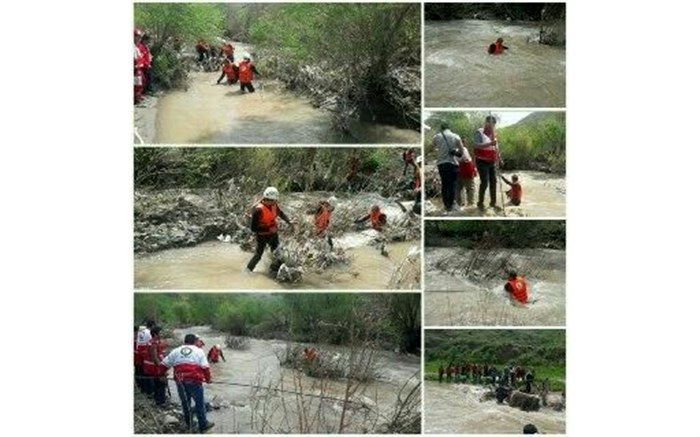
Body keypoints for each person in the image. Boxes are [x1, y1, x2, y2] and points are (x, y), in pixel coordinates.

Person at [161, 334, 215, 433]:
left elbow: (164, 364)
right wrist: (208, 379)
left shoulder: (176, 351)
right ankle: (203, 425)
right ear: (195, 341)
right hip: (194, 381)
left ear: (184, 341)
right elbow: (205, 368)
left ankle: (188, 424)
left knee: (186, 404)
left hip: (180, 381)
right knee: (199, 403)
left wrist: (162, 374)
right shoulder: (199, 351)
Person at [246, 187, 294, 273]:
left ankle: (274, 271)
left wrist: (289, 222)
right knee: (258, 255)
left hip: (273, 235)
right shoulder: (258, 210)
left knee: (277, 253)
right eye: (274, 200)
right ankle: (247, 271)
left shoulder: (274, 205)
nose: (275, 202)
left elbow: (281, 213)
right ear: (268, 199)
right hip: (262, 236)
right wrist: (268, 228)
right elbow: (253, 228)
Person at [433, 122, 465, 211]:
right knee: (452, 185)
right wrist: (454, 151)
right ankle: (450, 206)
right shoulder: (456, 136)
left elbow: (433, 148)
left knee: (444, 184)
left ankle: (445, 205)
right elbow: (462, 152)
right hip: (452, 163)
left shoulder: (436, 137)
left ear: (441, 128)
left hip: (441, 164)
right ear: (449, 128)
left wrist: (440, 151)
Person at [474, 115, 501, 209]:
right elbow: (477, 145)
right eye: (490, 123)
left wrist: (499, 157)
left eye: (493, 124)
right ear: (486, 122)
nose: (491, 126)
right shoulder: (479, 132)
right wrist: (490, 143)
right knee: (484, 182)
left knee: (494, 181)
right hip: (481, 161)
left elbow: (495, 147)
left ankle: (493, 203)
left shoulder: (494, 134)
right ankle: (480, 203)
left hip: (492, 161)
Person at [143, 326, 168, 406]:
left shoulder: (154, 342)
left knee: (158, 383)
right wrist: (162, 369)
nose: (162, 334)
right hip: (153, 367)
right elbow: (154, 357)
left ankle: (159, 399)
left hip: (152, 366)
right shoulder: (153, 343)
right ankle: (160, 401)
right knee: (161, 383)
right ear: (155, 334)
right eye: (160, 333)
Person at [135, 321, 155, 393]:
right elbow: (150, 344)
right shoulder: (149, 333)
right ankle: (148, 390)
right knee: (145, 373)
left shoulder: (141, 331)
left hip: (138, 354)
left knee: (139, 372)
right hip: (144, 355)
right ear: (152, 326)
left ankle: (141, 388)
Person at [133, 29, 147, 104]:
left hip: (139, 68)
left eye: (139, 37)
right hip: (136, 68)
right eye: (137, 37)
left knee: (141, 82)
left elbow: (140, 57)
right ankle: (136, 99)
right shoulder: (134, 47)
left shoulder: (137, 47)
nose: (139, 38)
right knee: (137, 84)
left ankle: (138, 97)